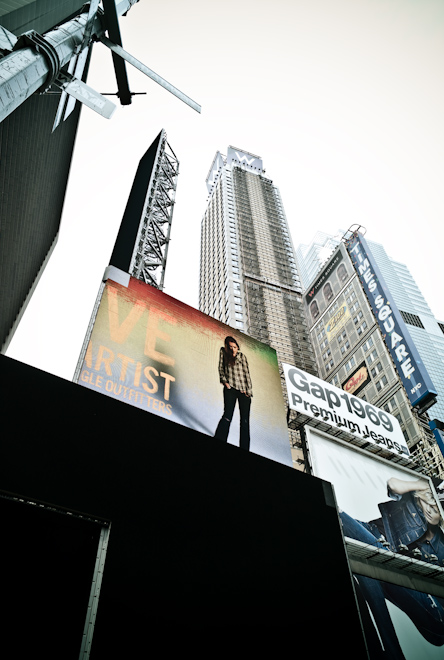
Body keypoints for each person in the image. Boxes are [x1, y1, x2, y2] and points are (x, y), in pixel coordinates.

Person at [340, 477, 444, 658]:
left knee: (340, 517)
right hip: (372, 534)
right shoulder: (414, 500)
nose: (429, 510)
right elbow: (393, 486)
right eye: (428, 503)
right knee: (365, 566)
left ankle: (392, 653)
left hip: (435, 616)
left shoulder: (440, 545)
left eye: (436, 510)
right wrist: (426, 486)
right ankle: (390, 653)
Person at [214, 336, 252, 451]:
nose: (233, 349)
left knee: (245, 422)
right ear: (226, 347)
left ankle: (245, 448)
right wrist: (225, 383)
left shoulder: (242, 356)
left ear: (237, 347)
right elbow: (220, 368)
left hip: (243, 391)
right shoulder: (223, 352)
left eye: (235, 347)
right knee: (227, 416)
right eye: (230, 347)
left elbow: (247, 374)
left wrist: (248, 391)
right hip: (231, 389)